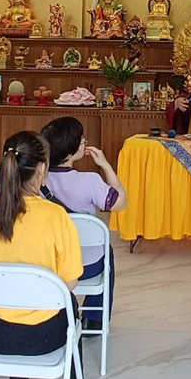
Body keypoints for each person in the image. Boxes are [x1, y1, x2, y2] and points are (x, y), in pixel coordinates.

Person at [0, 131, 83, 379]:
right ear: (42, 168)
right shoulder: (55, 215)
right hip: (43, 335)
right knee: (70, 306)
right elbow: (71, 280)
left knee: (10, 296)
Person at [41, 117, 125, 331]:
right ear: (69, 152)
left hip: (46, 264)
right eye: (81, 139)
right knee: (107, 251)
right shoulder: (90, 181)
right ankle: (94, 319)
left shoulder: (36, 180)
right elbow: (120, 203)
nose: (85, 141)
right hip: (85, 266)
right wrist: (105, 165)